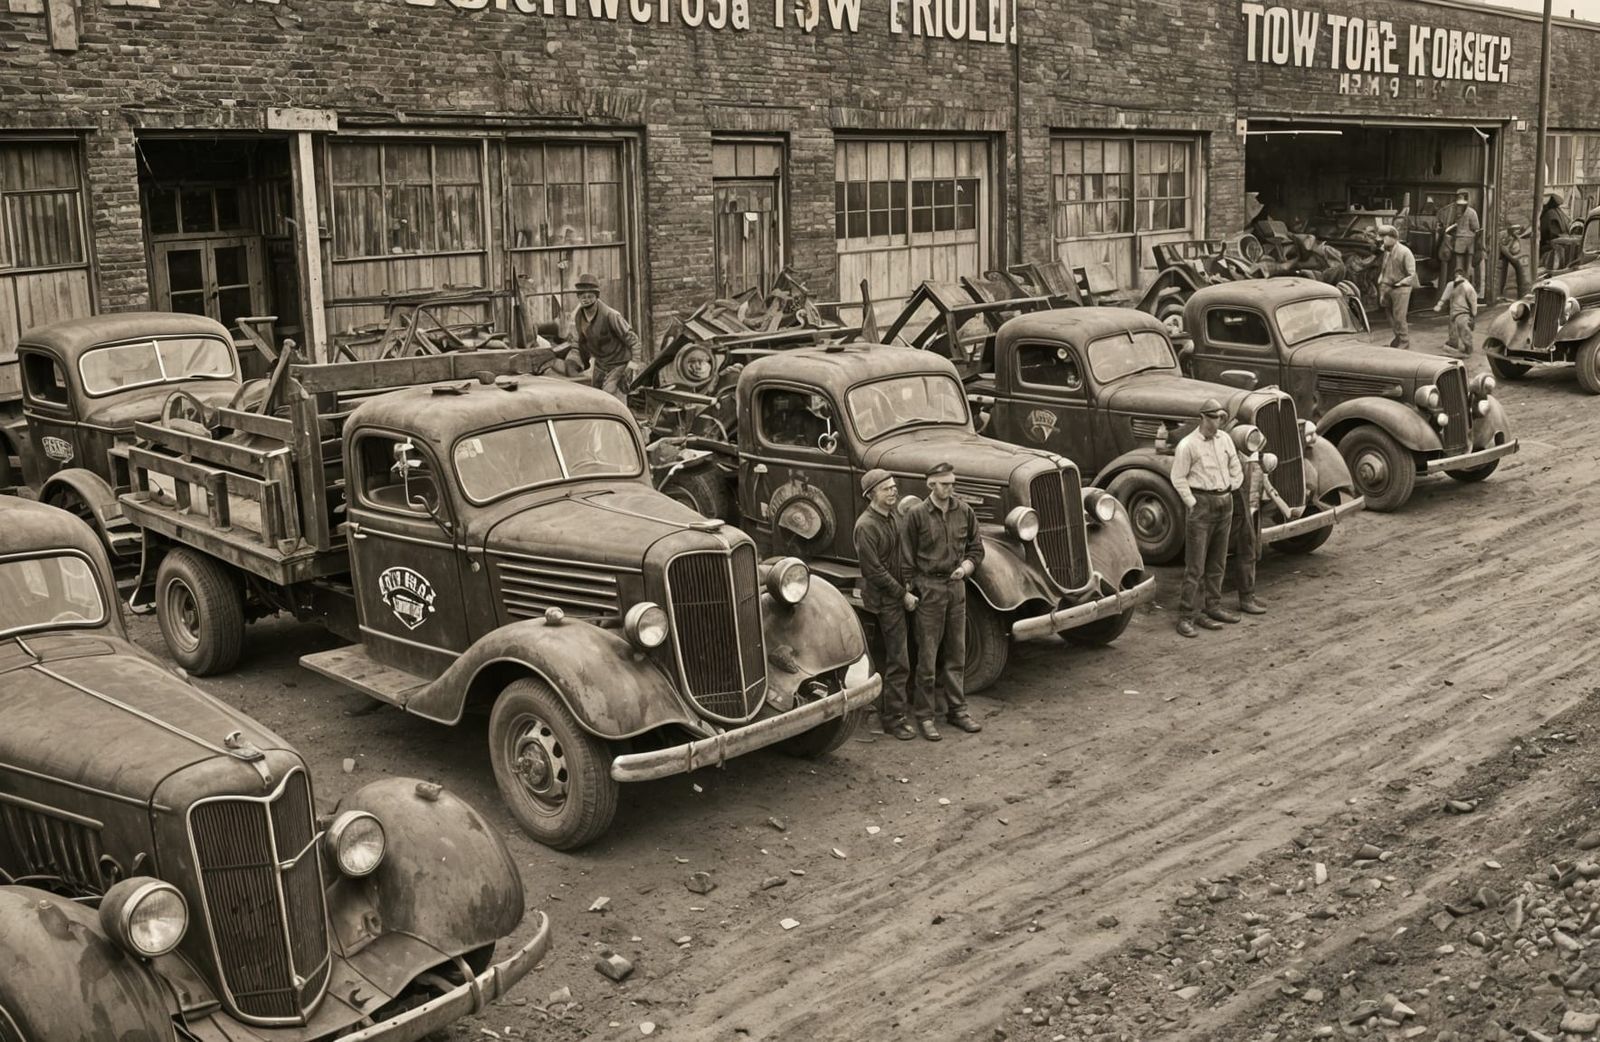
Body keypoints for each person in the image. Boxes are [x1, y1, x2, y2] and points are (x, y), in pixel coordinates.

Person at [902, 461, 984, 740]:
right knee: (927, 657)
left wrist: (967, 567)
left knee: (956, 654)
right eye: (944, 483)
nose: (950, 488)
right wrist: (911, 589)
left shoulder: (964, 511)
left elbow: (977, 548)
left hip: (956, 587)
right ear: (930, 484)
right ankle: (925, 716)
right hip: (929, 588)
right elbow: (906, 557)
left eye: (952, 482)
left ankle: (957, 711)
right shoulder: (916, 515)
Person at [853, 469, 917, 742]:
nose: (893, 492)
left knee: (890, 655)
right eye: (886, 489)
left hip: (896, 595)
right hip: (884, 600)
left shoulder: (893, 517)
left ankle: (883, 710)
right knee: (898, 660)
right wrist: (902, 594)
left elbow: (901, 555)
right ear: (871, 495)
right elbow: (874, 571)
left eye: (893, 487)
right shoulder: (866, 526)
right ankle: (894, 719)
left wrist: (909, 581)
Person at [1170, 399, 1242, 638]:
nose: (1217, 422)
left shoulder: (1225, 439)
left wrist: (1231, 486)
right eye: (1213, 417)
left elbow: (1236, 465)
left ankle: (1213, 607)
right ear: (1202, 418)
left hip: (1224, 503)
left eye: (1220, 417)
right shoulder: (1188, 445)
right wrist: (1192, 502)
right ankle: (1187, 615)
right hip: (1201, 504)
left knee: (1218, 561)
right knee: (1196, 565)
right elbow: (1178, 477)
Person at [1230, 449, 1291, 617]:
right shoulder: (1241, 457)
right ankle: (1244, 599)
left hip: (1253, 508)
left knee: (1252, 552)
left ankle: (1249, 595)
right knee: (1244, 551)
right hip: (1242, 510)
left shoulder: (1255, 463)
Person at [571, 273, 644, 401]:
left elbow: (634, 341)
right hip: (600, 364)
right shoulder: (579, 317)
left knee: (611, 398)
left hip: (618, 363)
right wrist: (582, 363)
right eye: (582, 295)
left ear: (596, 296)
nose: (586, 299)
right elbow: (580, 342)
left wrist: (632, 367)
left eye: (589, 296)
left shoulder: (611, 316)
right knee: (596, 399)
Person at [1376, 225, 1417, 350]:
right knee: (1389, 315)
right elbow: (1384, 267)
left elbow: (1412, 274)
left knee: (1399, 317)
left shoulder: (1405, 252)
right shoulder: (1386, 250)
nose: (1381, 242)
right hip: (1387, 286)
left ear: (1392, 238)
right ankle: (1398, 337)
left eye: (1383, 238)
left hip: (1401, 288)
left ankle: (1404, 341)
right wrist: (1381, 281)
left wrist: (1400, 284)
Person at [1434, 270, 1479, 358]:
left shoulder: (1468, 287)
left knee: (1464, 331)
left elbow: (1473, 302)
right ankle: (1453, 344)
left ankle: (1468, 348)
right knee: (1452, 331)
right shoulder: (1451, 285)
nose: (1458, 277)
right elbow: (1445, 296)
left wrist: (1473, 315)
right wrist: (1439, 304)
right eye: (1456, 275)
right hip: (1453, 312)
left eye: (1460, 275)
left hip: (1464, 313)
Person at [1443, 189, 1480, 282]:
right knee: (1467, 266)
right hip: (1469, 241)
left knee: (1459, 266)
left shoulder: (1454, 211)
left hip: (1460, 241)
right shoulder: (1471, 212)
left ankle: (1460, 281)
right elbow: (1476, 227)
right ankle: (1466, 282)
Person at [1498, 224, 1531, 302]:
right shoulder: (1504, 235)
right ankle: (1500, 295)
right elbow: (1503, 248)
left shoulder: (1515, 237)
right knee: (1502, 273)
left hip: (1508, 255)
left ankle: (1521, 294)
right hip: (1502, 255)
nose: (1517, 231)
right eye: (1516, 230)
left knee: (1519, 271)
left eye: (1518, 230)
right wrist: (1512, 258)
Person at [1542, 193, 1574, 271]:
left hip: (1550, 247)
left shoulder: (1550, 214)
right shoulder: (1557, 212)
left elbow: (1551, 234)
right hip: (1559, 243)